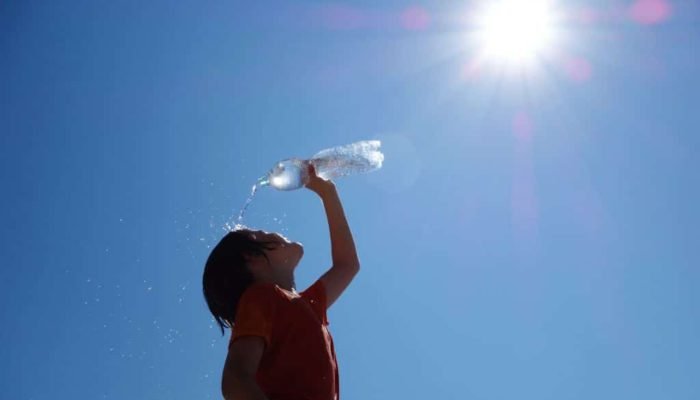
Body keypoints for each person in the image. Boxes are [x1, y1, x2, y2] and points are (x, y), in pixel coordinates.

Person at [202, 164, 360, 400]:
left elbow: (347, 265)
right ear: (252, 258)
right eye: (260, 234)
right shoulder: (261, 298)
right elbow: (236, 378)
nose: (271, 232)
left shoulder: (309, 305)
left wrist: (328, 193)